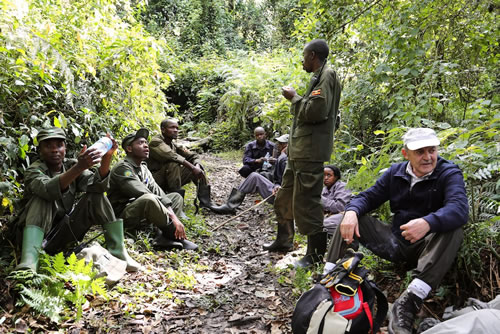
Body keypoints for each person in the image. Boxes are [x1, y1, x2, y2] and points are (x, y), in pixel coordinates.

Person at [322, 128, 469, 334]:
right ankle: (326, 281)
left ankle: (410, 300)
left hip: (428, 248)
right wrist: (352, 211)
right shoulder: (396, 173)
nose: (428, 157)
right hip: (394, 242)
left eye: (432, 150)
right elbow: (367, 197)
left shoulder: (448, 172)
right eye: (420, 152)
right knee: (352, 218)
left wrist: (428, 222)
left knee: (453, 228)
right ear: (405, 154)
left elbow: (459, 208)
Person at [15, 127, 141, 273]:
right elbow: (48, 190)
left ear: (65, 148)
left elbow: (97, 186)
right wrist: (79, 167)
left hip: (61, 234)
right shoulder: (34, 170)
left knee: (96, 195)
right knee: (42, 198)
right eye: (48, 146)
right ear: (40, 150)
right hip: (32, 237)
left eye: (59, 145)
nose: (55, 150)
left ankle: (118, 251)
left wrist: (107, 157)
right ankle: (29, 261)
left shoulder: (70, 164)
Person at [266, 39, 342, 267]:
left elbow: (315, 112)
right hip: (299, 151)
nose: (302, 60)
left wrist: (294, 97)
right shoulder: (319, 76)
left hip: (310, 153)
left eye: (304, 55)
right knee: (285, 196)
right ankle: (284, 239)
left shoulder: (327, 75)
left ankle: (315, 255)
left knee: (307, 202)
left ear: (313, 56)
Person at [107, 128, 198, 251]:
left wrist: (172, 215)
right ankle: (172, 235)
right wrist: (172, 216)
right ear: (129, 149)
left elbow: (157, 191)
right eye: (140, 143)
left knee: (175, 197)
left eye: (146, 142)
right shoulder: (123, 168)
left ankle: (162, 235)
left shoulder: (143, 167)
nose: (146, 146)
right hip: (124, 216)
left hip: (143, 210)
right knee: (149, 199)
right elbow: (143, 192)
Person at [147, 118, 223, 213]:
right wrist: (192, 167)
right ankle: (176, 203)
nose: (175, 130)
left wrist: (197, 166)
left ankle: (206, 202)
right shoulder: (156, 142)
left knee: (197, 168)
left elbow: (193, 155)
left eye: (177, 128)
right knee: (173, 163)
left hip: (167, 179)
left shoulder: (172, 144)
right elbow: (172, 156)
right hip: (155, 181)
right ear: (163, 129)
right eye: (172, 127)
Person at [215, 134, 289, 214]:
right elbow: (278, 179)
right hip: (277, 189)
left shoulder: (285, 159)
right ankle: (230, 205)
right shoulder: (252, 146)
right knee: (254, 175)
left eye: (281, 144)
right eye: (279, 143)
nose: (279, 145)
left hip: (285, 197)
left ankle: (230, 206)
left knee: (256, 176)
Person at [321, 165, 351, 234]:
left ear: (336, 177)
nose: (325, 178)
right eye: (323, 175)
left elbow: (340, 207)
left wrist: (320, 199)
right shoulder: (323, 190)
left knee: (322, 225)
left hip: (343, 214)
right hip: (329, 216)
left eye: (329, 175)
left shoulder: (342, 187)